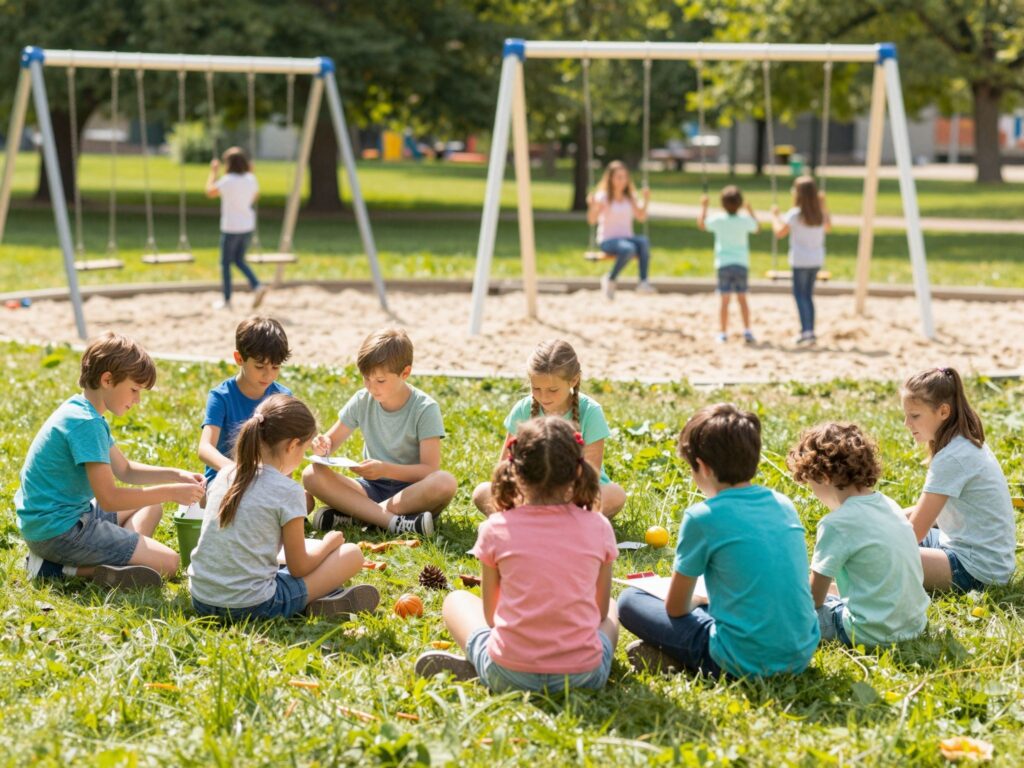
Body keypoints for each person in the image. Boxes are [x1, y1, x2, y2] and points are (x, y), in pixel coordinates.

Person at [414, 417, 619, 691]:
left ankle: (482, 668)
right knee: (613, 607)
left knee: (455, 601)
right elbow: (600, 611)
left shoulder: (496, 528)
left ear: (516, 471)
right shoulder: (599, 526)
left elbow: (491, 618)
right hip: (583, 677)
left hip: (508, 673)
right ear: (578, 470)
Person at [618, 403, 819, 677]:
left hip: (739, 660)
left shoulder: (702, 517)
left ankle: (682, 660)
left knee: (629, 599)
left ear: (702, 467)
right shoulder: (784, 504)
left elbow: (675, 608)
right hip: (800, 653)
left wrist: (697, 600)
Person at [15, 332, 204, 588]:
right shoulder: (87, 424)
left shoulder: (81, 411)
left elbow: (125, 470)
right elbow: (109, 499)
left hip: (54, 522)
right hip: (59, 533)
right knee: (169, 563)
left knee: (152, 507)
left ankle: (122, 561)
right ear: (107, 380)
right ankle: (58, 570)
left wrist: (175, 475)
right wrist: (171, 492)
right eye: (134, 390)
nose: (137, 400)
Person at [189, 395, 379, 620]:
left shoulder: (225, 474)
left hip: (201, 599)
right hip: (253, 606)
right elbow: (299, 567)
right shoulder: (288, 491)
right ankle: (315, 601)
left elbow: (208, 506)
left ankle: (320, 598)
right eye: (304, 449)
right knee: (351, 554)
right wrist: (328, 544)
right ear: (292, 446)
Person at [303, 328, 457, 537]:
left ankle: (359, 516)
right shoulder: (362, 400)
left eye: (380, 381)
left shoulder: (425, 408)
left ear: (405, 373)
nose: (371, 387)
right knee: (311, 474)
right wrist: (323, 445)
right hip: (370, 488)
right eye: (366, 378)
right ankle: (393, 521)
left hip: (412, 493)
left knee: (445, 482)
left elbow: (429, 470)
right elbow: (331, 441)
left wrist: (385, 469)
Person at [787, 422, 929, 648]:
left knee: (788, 612)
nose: (813, 493)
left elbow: (813, 600)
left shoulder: (837, 524)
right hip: (914, 625)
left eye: (811, 484)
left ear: (824, 477)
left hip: (870, 632)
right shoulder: (888, 504)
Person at [471, 339, 626, 518]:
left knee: (615, 494)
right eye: (536, 388)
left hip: (576, 493)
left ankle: (530, 521)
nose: (544, 396)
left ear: (573, 380)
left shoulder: (590, 412)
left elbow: (592, 471)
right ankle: (556, 522)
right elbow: (506, 465)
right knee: (483, 492)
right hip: (530, 492)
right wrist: (531, 494)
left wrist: (559, 497)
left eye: (553, 390)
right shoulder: (523, 409)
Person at [901, 367, 1016, 592]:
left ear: (943, 411)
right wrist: (879, 520)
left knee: (881, 554)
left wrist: (874, 536)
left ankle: (840, 596)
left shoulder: (952, 458)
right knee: (882, 536)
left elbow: (915, 531)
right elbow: (928, 512)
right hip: (967, 550)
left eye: (915, 416)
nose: (907, 423)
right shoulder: (962, 442)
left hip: (978, 571)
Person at [199, 317, 291, 487]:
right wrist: (238, 472)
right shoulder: (221, 397)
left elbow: (287, 452)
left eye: (275, 367)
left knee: (303, 497)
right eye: (259, 366)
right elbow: (205, 449)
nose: (268, 375)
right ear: (239, 358)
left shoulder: (283, 397)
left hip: (266, 483)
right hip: (225, 480)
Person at [771, 176, 831, 344]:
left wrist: (774, 216)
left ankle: (806, 332)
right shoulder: (819, 214)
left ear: (798, 194)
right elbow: (828, 227)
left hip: (800, 260)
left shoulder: (795, 214)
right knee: (808, 295)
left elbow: (779, 232)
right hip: (816, 260)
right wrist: (824, 205)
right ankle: (809, 330)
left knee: (800, 295)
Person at [697, 185, 761, 344]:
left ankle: (723, 333)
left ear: (722, 203)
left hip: (723, 264)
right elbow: (757, 227)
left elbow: (702, 224)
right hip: (741, 263)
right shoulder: (744, 220)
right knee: (742, 299)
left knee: (724, 301)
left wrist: (704, 206)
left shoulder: (718, 220)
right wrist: (750, 210)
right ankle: (747, 330)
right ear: (740, 203)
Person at [205, 146, 265, 311]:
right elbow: (255, 197)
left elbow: (210, 192)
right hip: (247, 226)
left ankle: (227, 300)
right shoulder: (251, 179)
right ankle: (257, 285)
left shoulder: (227, 180)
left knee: (225, 263)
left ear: (228, 164)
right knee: (239, 260)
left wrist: (213, 172)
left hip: (231, 227)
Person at [587, 160, 655, 299]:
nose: (622, 181)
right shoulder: (603, 197)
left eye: (624, 177)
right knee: (629, 248)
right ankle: (611, 279)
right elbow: (592, 220)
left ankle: (643, 282)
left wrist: (646, 200)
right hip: (608, 240)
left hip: (626, 238)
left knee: (643, 241)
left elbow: (641, 217)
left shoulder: (630, 197)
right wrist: (592, 206)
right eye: (618, 177)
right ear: (610, 178)